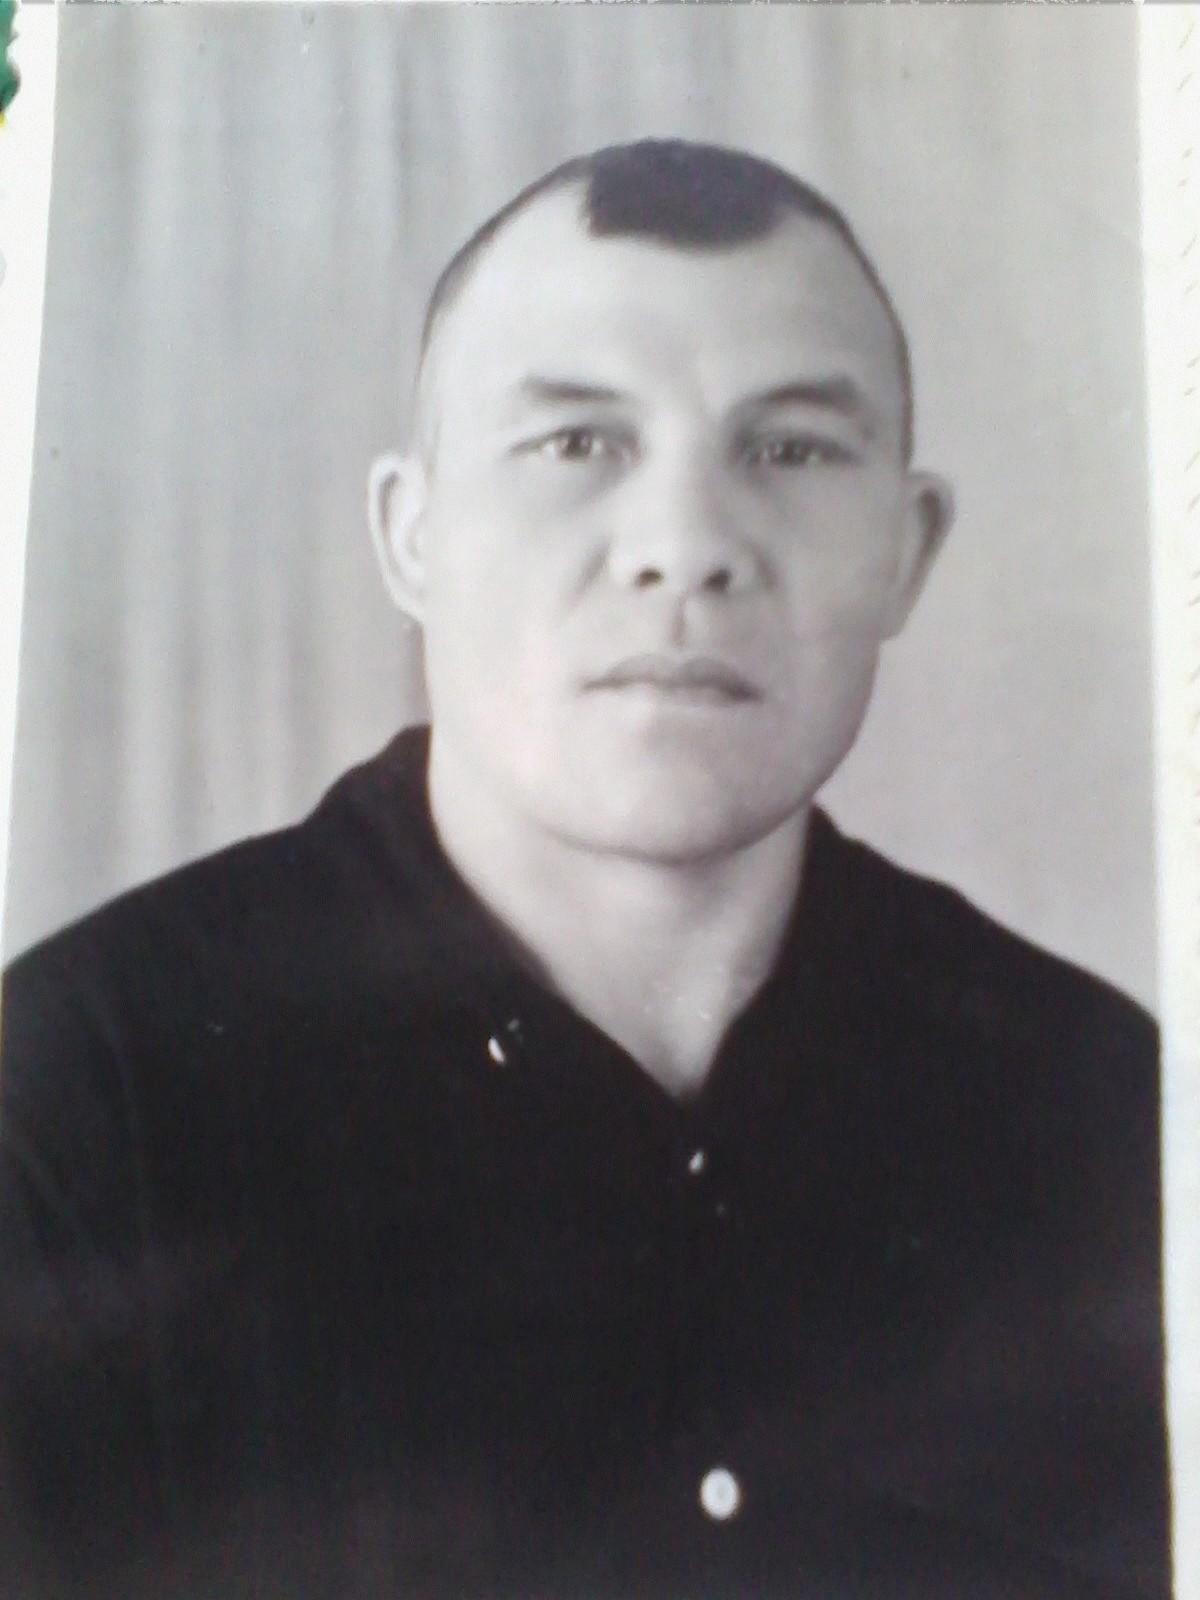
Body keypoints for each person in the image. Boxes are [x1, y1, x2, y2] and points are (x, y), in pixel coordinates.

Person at [0, 140, 1168, 1599]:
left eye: (791, 450)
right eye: (576, 444)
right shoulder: (80, 1095)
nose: (685, 549)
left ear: (907, 550)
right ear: (411, 535)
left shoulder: (1103, 1104)